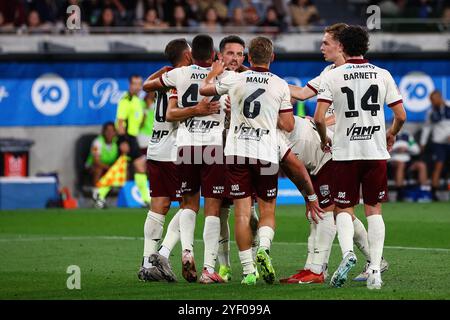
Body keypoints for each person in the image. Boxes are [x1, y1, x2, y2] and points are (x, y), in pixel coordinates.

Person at [200, 36, 321, 285]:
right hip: (265, 152)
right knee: (267, 210)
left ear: (249, 58)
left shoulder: (234, 78)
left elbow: (204, 89)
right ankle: (263, 248)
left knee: (242, 214)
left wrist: (213, 74)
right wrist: (268, 114)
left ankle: (248, 272)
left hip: (236, 152)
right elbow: (288, 125)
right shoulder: (280, 85)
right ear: (272, 58)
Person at [285, 23, 385, 284]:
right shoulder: (329, 72)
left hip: (341, 147)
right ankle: (374, 261)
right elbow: (303, 93)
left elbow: (352, 117)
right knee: (344, 210)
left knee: (335, 208)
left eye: (326, 42)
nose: (321, 47)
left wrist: (323, 126)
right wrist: (274, 85)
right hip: (333, 145)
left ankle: (319, 268)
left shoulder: (358, 74)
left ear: (341, 45)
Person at [314, 25, 406, 290]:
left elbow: (319, 118)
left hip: (345, 153)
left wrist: (323, 139)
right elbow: (401, 116)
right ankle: (375, 270)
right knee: (374, 210)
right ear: (365, 46)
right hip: (375, 151)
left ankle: (347, 254)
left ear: (341, 46)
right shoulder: (382, 74)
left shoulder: (333, 76)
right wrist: (391, 134)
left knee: (343, 208)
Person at [142, 34, 226, 284]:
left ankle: (149, 261)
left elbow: (147, 86)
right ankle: (174, 255)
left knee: (162, 206)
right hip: (183, 145)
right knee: (202, 205)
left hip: (159, 146)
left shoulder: (169, 77)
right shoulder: (210, 75)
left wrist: (166, 66)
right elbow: (172, 115)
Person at [115, 75, 151, 207]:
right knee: (129, 166)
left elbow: (138, 124)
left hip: (132, 137)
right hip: (126, 137)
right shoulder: (126, 99)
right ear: (130, 85)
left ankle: (146, 199)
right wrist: (123, 141)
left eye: (139, 84)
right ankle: (146, 199)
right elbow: (120, 122)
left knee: (135, 166)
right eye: (135, 84)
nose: (137, 86)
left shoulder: (137, 100)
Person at [419, 90, 450, 201]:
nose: (432, 102)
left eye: (433, 99)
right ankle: (434, 193)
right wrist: (422, 143)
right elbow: (427, 128)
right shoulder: (430, 111)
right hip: (439, 142)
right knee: (438, 165)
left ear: (439, 97)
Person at [389, 130, 431, 201]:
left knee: (421, 165)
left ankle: (423, 192)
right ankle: (400, 193)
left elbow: (416, 150)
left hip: (407, 161)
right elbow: (383, 149)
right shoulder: (388, 134)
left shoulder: (407, 135)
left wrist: (407, 149)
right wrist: (396, 149)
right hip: (393, 160)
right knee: (401, 164)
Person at [85, 121, 119, 186]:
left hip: (109, 165)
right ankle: (96, 190)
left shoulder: (116, 142)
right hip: (93, 165)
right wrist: (109, 168)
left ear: (115, 132)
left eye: (112, 131)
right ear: (103, 132)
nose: (110, 133)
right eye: (107, 130)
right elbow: (96, 161)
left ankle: (121, 190)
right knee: (98, 168)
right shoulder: (97, 142)